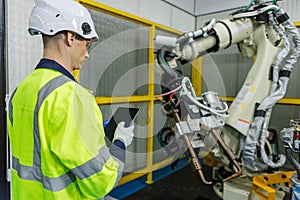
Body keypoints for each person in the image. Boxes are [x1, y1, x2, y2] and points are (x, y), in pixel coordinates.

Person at [7, 0, 134, 199]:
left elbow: (42, 144)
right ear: (70, 37)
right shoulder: (72, 96)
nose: (87, 54)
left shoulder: (21, 90)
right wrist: (120, 142)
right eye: (87, 43)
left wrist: (92, 129)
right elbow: (102, 181)